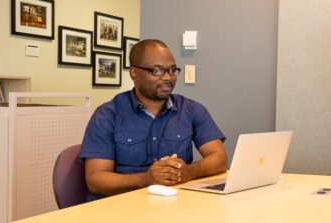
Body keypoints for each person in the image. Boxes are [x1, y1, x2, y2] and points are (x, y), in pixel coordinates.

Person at [79, 39, 228, 201]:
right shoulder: (107, 115)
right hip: (121, 206)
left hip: (174, 204)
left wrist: (188, 172)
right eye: (157, 70)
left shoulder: (191, 109)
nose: (168, 78)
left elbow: (219, 158)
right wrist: (145, 179)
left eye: (172, 70)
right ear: (134, 73)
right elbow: (95, 180)